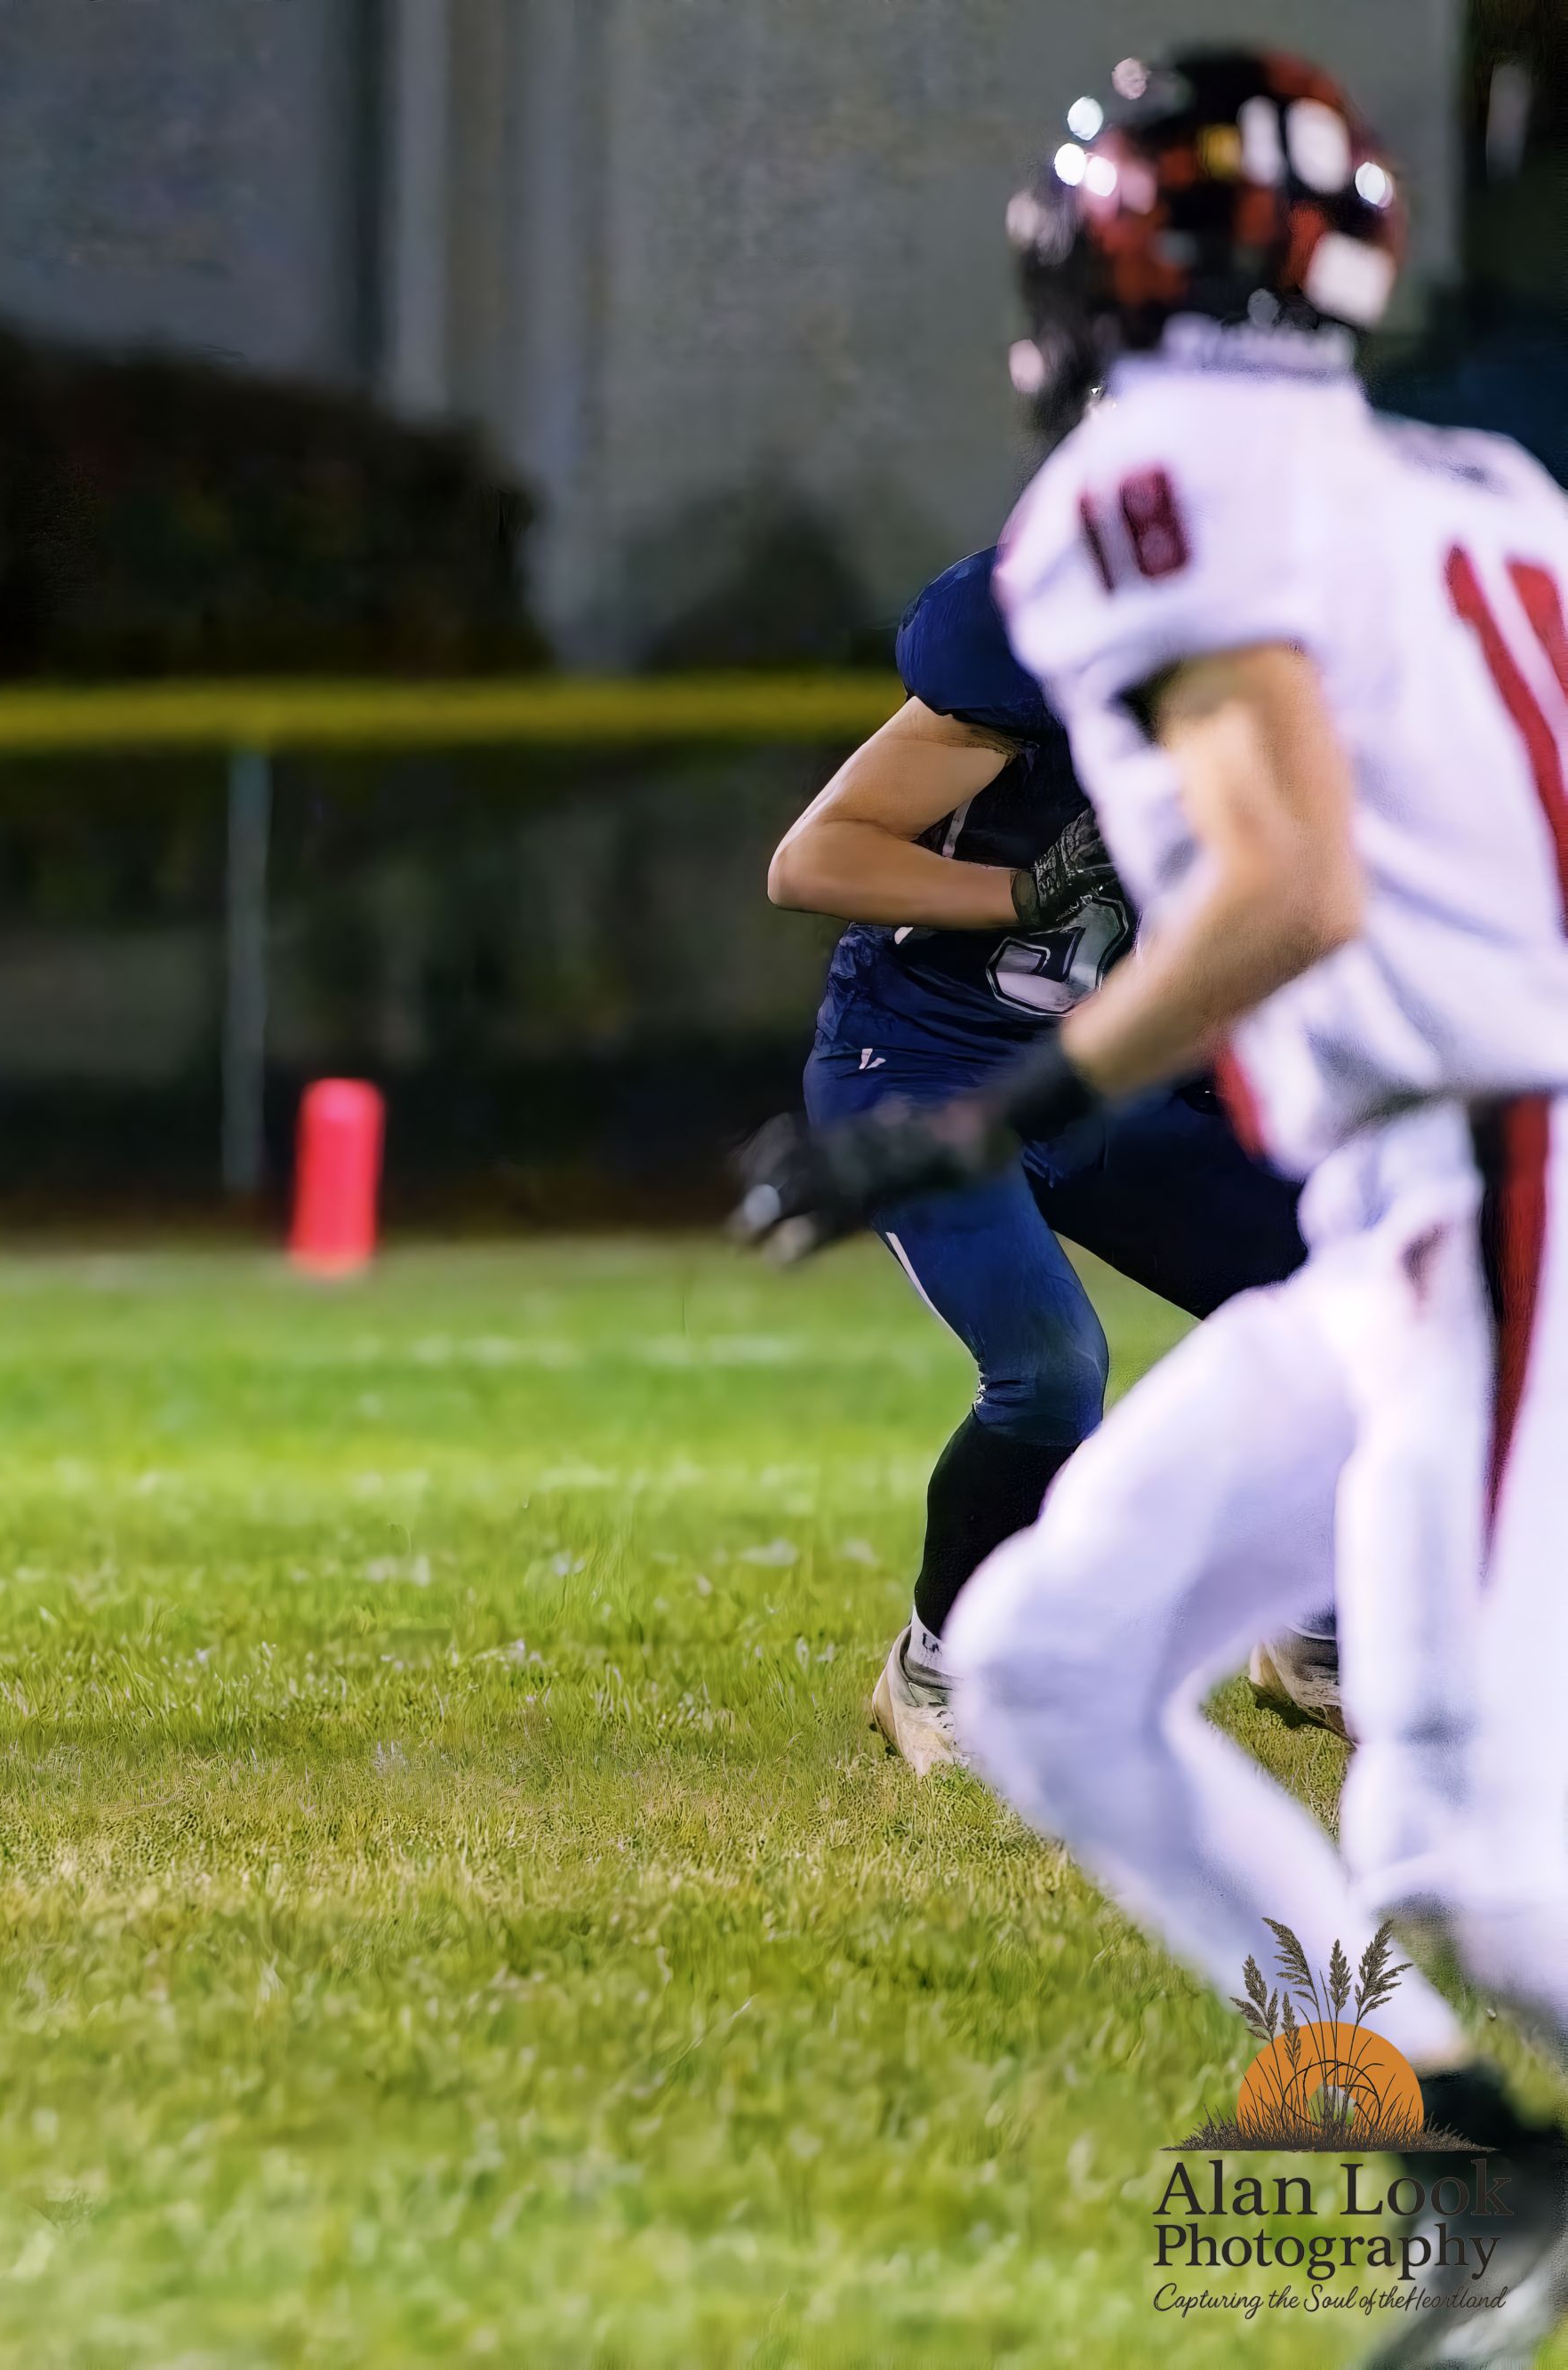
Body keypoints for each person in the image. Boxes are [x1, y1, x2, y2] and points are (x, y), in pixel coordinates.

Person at [740, 52, 1568, 2356]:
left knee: (1469, 1847)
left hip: (1506, 1169)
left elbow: (1286, 873)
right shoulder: (1482, 484)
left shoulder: (1157, 479)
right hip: (1433, 1194)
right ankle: (1451, 2212)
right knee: (1047, 1663)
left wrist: (977, 1118)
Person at [765, 555, 1316, 1773]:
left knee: (1355, 1298)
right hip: (920, 1065)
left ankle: (1311, 1614)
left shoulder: (1288, 676)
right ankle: (935, 1660)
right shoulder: (1030, 666)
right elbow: (810, 858)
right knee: (1050, 1370)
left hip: (1105, 1068)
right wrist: (1017, 889)